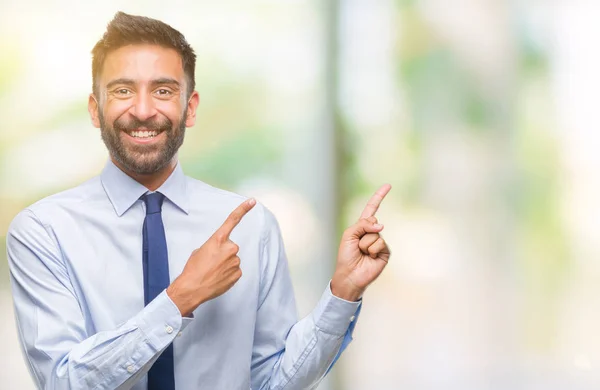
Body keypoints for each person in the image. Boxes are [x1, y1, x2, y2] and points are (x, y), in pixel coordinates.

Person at [6, 12, 391, 390]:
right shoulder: (43, 231)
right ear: (95, 109)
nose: (142, 111)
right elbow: (63, 382)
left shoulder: (251, 226)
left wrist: (342, 293)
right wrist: (181, 297)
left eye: (163, 91)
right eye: (123, 90)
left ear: (189, 108)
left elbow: (273, 382)